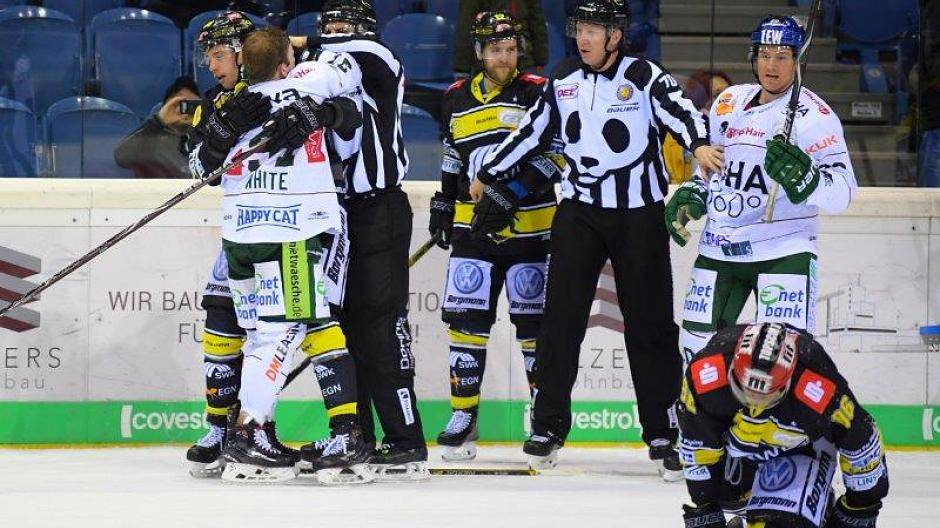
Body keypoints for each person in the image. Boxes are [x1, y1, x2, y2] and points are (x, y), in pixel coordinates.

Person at [470, 0, 722, 477]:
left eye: (593, 30)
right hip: (579, 214)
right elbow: (532, 132)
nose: (583, 38)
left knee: (650, 326)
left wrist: (699, 143)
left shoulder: (645, 76)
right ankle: (547, 426)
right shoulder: (563, 78)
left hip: (639, 216)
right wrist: (489, 171)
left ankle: (664, 431)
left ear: (615, 36)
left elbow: (683, 113)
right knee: (560, 322)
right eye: (580, 28)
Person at [194, 26, 366, 483]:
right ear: (287, 63)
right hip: (290, 231)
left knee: (267, 333)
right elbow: (351, 76)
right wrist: (325, 103)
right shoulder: (306, 84)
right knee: (279, 335)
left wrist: (220, 130)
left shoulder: (231, 105)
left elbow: (199, 168)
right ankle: (250, 433)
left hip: (240, 236)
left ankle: (307, 432)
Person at [287, 0, 429, 481]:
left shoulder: (377, 58)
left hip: (379, 208)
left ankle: (406, 440)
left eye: (343, 24)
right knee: (345, 328)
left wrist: (301, 44)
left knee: (381, 327)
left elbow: (348, 53)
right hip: (339, 214)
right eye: (328, 24)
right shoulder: (326, 68)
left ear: (365, 29)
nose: (335, 31)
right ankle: (358, 437)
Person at [429, 11, 563, 461]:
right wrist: (444, 200)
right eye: (495, 50)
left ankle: (541, 419)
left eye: (510, 49)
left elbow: (558, 155)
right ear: (479, 52)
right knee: (465, 324)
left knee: (534, 329)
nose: (505, 58)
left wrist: (514, 192)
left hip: (533, 228)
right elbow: (452, 154)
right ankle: (463, 415)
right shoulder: (455, 97)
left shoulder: (540, 92)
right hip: (473, 230)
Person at [677, 323, 889, 528]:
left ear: (786, 382)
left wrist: (858, 507)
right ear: (733, 369)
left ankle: (807, 504)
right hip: (734, 454)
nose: (754, 403)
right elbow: (696, 444)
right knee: (724, 494)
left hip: (798, 450)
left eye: (765, 397)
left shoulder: (818, 386)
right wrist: (704, 505)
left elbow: (861, 440)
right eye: (746, 392)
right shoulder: (705, 374)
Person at [114, 76, 201, 179]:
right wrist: (159, 121)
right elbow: (121, 157)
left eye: (192, 105)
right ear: (166, 108)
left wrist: (203, 119)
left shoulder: (210, 138)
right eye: (178, 104)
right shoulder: (150, 141)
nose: (186, 111)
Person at [455, 0, 549, 75]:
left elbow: (537, 22)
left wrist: (540, 60)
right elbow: (466, 25)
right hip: (490, 60)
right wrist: (462, 69)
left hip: (524, 60)